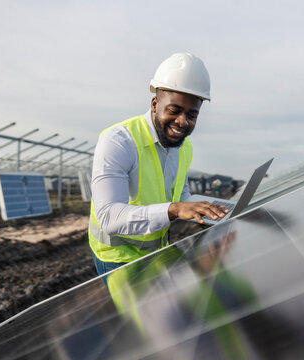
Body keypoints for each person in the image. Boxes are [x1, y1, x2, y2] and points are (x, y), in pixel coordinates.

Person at [89, 52, 229, 276]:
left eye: (192, 115)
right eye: (174, 111)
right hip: (118, 258)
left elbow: (181, 197)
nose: (182, 121)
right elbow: (108, 217)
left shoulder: (185, 147)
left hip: (156, 252)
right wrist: (174, 210)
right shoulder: (118, 142)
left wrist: (216, 210)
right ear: (155, 104)